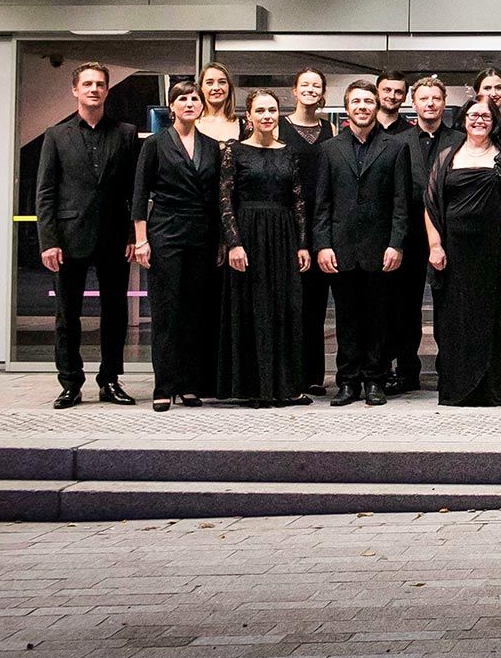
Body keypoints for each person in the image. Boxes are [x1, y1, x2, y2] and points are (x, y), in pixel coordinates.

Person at [37, 61, 140, 409]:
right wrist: (48, 241)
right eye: (88, 84)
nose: (94, 89)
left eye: (100, 84)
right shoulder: (56, 135)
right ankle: (70, 383)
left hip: (114, 239)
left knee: (115, 313)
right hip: (68, 238)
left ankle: (110, 380)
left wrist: (131, 235)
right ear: (75, 90)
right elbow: (46, 192)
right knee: (68, 315)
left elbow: (132, 191)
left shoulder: (125, 133)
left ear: (107, 90)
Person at [424, 99, 501, 407]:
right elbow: (430, 206)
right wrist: (434, 245)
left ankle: (496, 388)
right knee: (457, 319)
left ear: (494, 120)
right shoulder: (447, 157)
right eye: (473, 115)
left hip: (495, 253)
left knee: (497, 317)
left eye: (485, 115)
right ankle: (459, 388)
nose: (479, 120)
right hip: (455, 255)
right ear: (463, 119)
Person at [312, 79, 411, 407]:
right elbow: (321, 203)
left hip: (380, 248)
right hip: (340, 249)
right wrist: (322, 245)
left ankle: (374, 380)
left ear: (376, 106)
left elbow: (401, 203)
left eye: (368, 101)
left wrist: (396, 244)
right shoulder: (329, 149)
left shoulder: (396, 148)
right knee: (346, 319)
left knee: (378, 318)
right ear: (347, 107)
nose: (363, 107)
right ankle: (347, 382)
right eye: (356, 102)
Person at [217, 89, 312, 407]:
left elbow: (298, 200)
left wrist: (302, 244)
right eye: (260, 110)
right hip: (249, 235)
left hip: (283, 236)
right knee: (252, 308)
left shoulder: (289, 152)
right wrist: (234, 243)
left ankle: (285, 385)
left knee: (285, 308)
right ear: (249, 115)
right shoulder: (236, 151)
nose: (268, 116)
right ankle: (254, 387)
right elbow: (225, 199)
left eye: (272, 110)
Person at [132, 80, 222, 411]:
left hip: (201, 233)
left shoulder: (211, 146)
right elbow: (140, 195)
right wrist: (141, 240)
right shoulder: (155, 144)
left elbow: (216, 198)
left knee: (194, 313)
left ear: (201, 106)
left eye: (194, 99)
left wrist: (221, 241)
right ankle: (163, 385)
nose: (189, 103)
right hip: (165, 231)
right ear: (172, 106)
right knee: (166, 312)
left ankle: (188, 384)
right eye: (182, 98)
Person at [393, 76, 461, 394]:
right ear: (413, 103)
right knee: (405, 306)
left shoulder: (459, 140)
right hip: (408, 235)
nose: (430, 103)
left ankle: (450, 369)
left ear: (444, 103)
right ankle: (407, 371)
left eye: (436, 98)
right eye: (424, 98)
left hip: (449, 234)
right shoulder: (397, 142)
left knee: (448, 304)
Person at [280, 66, 334, 395]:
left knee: (316, 304)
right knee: (289, 302)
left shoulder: (329, 130)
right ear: (294, 91)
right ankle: (289, 373)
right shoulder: (280, 128)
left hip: (322, 224)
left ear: (322, 92)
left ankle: (314, 374)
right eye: (305, 85)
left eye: (317, 85)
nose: (311, 90)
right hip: (287, 225)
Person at [196, 61, 241, 143]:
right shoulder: (191, 125)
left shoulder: (244, 126)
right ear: (201, 88)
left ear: (229, 87)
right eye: (210, 83)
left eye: (222, 82)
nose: (216, 87)